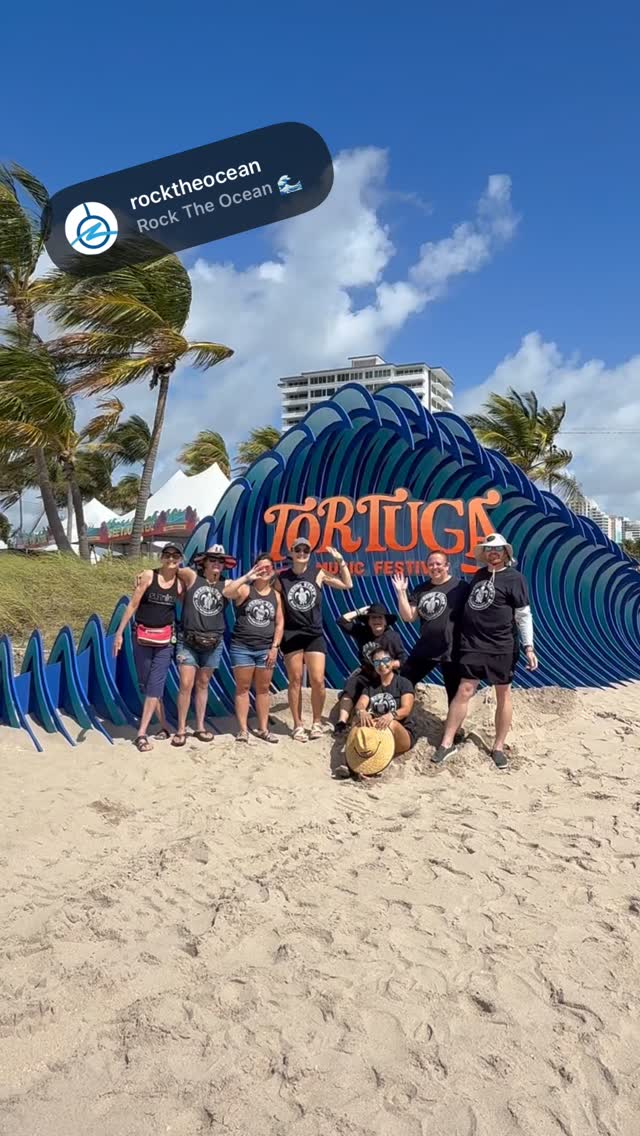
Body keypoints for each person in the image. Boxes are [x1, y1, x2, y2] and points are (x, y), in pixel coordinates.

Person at [432, 532, 538, 769]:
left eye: (497, 549)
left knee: (503, 693)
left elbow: (523, 614)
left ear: (505, 553)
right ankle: (446, 743)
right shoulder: (478, 575)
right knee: (464, 689)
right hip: (473, 644)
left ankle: (498, 747)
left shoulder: (515, 578)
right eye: (489, 550)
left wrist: (529, 646)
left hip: (502, 645)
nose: (493, 553)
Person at [278, 538, 353, 741]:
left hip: (314, 632)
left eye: (306, 549)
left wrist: (340, 561)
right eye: (298, 549)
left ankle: (317, 722)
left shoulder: (318, 573)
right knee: (294, 680)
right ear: (291, 552)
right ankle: (298, 724)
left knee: (318, 680)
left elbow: (347, 584)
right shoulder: (282, 578)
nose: (302, 552)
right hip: (292, 633)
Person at [113, 543, 185, 752]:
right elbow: (133, 604)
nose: (171, 558)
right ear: (161, 557)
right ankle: (164, 726)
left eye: (176, 555)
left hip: (164, 641)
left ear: (180, 559)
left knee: (155, 685)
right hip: (142, 637)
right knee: (147, 684)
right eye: (167, 555)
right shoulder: (148, 576)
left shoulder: (180, 584)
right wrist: (119, 633)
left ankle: (141, 734)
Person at [170, 544, 237, 748]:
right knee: (185, 684)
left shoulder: (227, 584)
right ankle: (181, 729)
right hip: (188, 639)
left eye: (220, 561)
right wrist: (149, 573)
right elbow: (171, 568)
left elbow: (241, 589)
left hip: (213, 641)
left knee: (203, 684)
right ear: (204, 563)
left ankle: (199, 726)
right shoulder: (192, 577)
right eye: (213, 560)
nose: (216, 563)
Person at [392, 551, 468, 710]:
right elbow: (408, 617)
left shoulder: (461, 587)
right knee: (404, 679)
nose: (435, 567)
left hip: (452, 649)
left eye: (438, 564)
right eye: (431, 564)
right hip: (426, 646)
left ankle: (454, 732)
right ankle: (401, 717)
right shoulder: (421, 589)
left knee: (454, 692)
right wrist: (401, 593)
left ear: (447, 566)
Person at [227, 553, 284, 744]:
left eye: (268, 568)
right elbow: (227, 593)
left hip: (265, 650)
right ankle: (243, 730)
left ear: (273, 571)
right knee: (242, 689)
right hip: (242, 647)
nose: (264, 571)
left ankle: (263, 728)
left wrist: (275, 647)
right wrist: (247, 576)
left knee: (263, 689)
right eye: (260, 567)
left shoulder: (276, 595)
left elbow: (279, 624)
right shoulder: (244, 590)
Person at [333, 603, 407, 735]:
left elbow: (403, 659)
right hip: (366, 673)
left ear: (385, 622)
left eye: (380, 617)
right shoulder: (362, 632)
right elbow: (341, 620)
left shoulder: (392, 637)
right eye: (372, 617)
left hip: (385, 675)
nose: (376, 620)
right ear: (368, 621)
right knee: (350, 687)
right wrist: (360, 611)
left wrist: (390, 664)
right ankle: (341, 723)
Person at [352, 646, 416, 757]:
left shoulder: (403, 683)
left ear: (392, 662)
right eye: (377, 662)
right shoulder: (371, 687)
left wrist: (391, 715)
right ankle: (361, 756)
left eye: (385, 660)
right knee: (357, 719)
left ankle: (373, 756)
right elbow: (361, 704)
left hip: (399, 733)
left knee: (391, 724)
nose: (381, 665)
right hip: (375, 733)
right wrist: (362, 711)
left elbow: (406, 709)